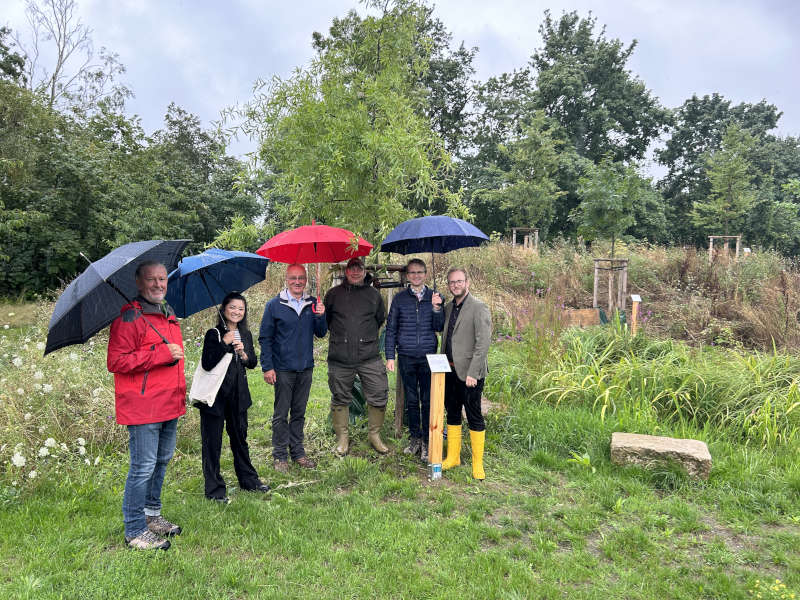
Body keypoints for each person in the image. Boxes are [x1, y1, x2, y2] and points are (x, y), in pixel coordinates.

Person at [107, 261, 186, 550]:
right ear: (139, 284)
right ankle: (134, 529)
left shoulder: (168, 314)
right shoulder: (129, 318)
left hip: (169, 402)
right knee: (142, 467)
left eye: (162, 279)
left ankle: (152, 515)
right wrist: (160, 353)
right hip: (143, 407)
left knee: (161, 461)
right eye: (151, 280)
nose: (158, 284)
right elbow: (116, 361)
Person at [196, 292, 270, 503]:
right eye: (233, 307)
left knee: (240, 440)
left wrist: (245, 355)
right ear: (224, 309)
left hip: (238, 397)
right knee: (212, 444)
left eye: (241, 309)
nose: (237, 312)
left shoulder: (245, 334)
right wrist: (224, 343)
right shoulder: (215, 333)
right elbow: (208, 363)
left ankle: (249, 481)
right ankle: (215, 490)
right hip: (215, 398)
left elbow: (253, 362)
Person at [259, 264, 327, 472]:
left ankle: (298, 452)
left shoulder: (313, 303)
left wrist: (321, 315)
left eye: (301, 278)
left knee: (299, 412)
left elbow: (321, 333)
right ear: (286, 280)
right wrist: (268, 367)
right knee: (281, 414)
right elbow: (265, 338)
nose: (297, 282)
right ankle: (280, 456)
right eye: (293, 278)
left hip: (305, 367)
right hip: (283, 369)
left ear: (306, 280)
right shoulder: (274, 305)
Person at [324, 257, 390, 456]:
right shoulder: (333, 295)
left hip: (369, 356)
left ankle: (374, 435)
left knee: (379, 392)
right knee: (340, 397)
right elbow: (326, 321)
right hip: (340, 357)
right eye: (351, 268)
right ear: (346, 271)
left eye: (358, 268)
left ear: (364, 271)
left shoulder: (374, 295)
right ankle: (343, 438)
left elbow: (380, 318)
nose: (355, 272)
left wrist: (365, 337)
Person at [384, 258, 444, 461]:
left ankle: (428, 441)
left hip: (428, 357)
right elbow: (391, 328)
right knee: (411, 399)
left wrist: (437, 308)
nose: (416, 276)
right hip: (407, 356)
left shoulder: (435, 297)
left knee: (427, 399)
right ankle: (415, 438)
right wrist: (390, 356)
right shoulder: (400, 299)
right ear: (407, 276)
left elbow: (439, 326)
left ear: (425, 274)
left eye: (419, 272)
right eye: (412, 273)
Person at [439, 267, 492, 480]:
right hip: (449, 370)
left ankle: (478, 464)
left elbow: (483, 342)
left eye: (459, 281)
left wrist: (474, 372)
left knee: (473, 414)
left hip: (470, 373)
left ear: (467, 282)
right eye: (452, 282)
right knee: (452, 412)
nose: (455, 285)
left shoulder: (479, 307)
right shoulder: (448, 307)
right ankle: (453, 457)